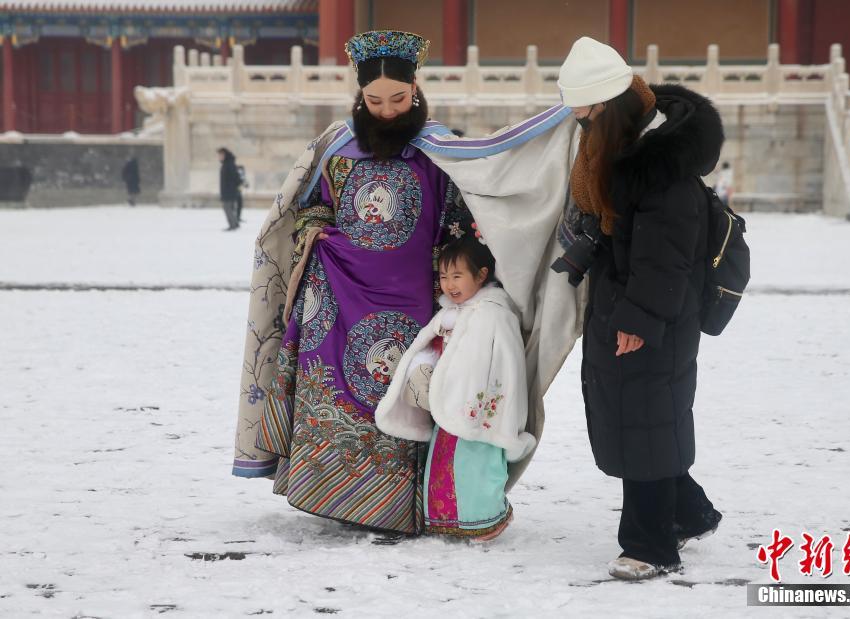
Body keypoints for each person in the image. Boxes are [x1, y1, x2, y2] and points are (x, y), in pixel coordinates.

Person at [232, 30, 587, 540]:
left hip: (413, 299)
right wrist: (317, 235)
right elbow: (307, 207)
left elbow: (467, 217)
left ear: (415, 88)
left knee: (408, 396)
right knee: (334, 395)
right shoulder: (335, 147)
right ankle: (330, 494)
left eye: (398, 99)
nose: (387, 111)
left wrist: (464, 274)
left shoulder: (441, 150)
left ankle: (400, 506)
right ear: (359, 97)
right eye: (373, 101)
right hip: (336, 295)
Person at [557, 37, 723, 580]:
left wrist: (638, 322)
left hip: (655, 314)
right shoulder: (627, 146)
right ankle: (689, 511)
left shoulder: (661, 169)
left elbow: (664, 260)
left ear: (609, 108)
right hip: (628, 304)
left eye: (584, 119)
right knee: (645, 417)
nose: (580, 129)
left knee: (645, 421)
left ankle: (650, 546)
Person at [375, 233, 535, 541]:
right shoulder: (450, 314)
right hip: (450, 404)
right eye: (444, 276)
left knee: (474, 467)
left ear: (481, 275)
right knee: (446, 465)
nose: (450, 284)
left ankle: (484, 521)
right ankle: (449, 522)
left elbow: (504, 362)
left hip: (478, 409)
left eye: (457, 276)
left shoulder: (493, 313)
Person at [218, 147, 242, 230]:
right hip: (228, 191)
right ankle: (235, 223)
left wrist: (231, 189)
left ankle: (233, 225)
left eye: (221, 155)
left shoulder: (229, 164)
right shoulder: (227, 164)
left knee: (227, 208)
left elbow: (235, 178)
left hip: (229, 191)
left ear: (225, 155)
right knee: (230, 208)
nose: (219, 157)